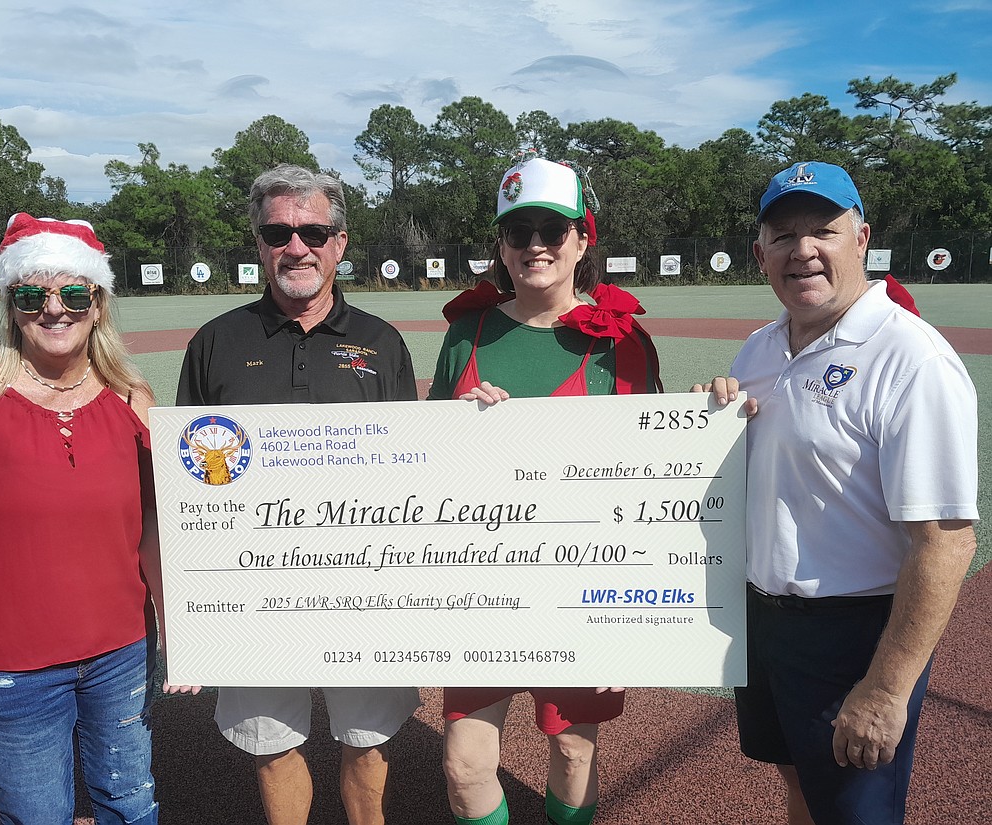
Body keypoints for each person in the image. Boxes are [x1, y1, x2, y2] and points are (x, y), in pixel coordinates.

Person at [696, 161, 978, 825]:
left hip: (854, 633)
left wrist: (886, 689)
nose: (803, 250)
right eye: (784, 235)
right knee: (799, 783)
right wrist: (703, 425)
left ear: (862, 239)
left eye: (823, 229)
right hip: (764, 622)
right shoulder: (756, 352)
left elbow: (946, 542)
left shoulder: (911, 359)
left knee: (856, 813)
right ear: (759, 253)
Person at [0, 213, 182, 824]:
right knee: (38, 816)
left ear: (98, 304)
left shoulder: (133, 400)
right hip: (5, 667)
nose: (55, 309)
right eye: (32, 294)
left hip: (121, 653)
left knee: (131, 803)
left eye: (75, 293)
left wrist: (174, 619)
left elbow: (155, 520)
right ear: (11, 305)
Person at [175, 164, 420, 825]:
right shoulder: (216, 343)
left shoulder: (382, 342)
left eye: (314, 230)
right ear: (258, 242)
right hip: (254, 584)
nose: (297, 245)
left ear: (339, 241)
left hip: (362, 580)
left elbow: (416, 468)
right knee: (272, 740)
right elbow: (187, 477)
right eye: (279, 231)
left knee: (367, 739)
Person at [429, 154, 662, 825]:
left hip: (579, 586)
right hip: (482, 582)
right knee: (465, 763)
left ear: (582, 240)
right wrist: (460, 424)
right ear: (500, 245)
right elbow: (427, 464)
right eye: (518, 230)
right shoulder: (466, 331)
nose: (534, 244)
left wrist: (627, 618)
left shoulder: (624, 341)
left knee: (572, 751)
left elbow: (650, 480)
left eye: (551, 230)